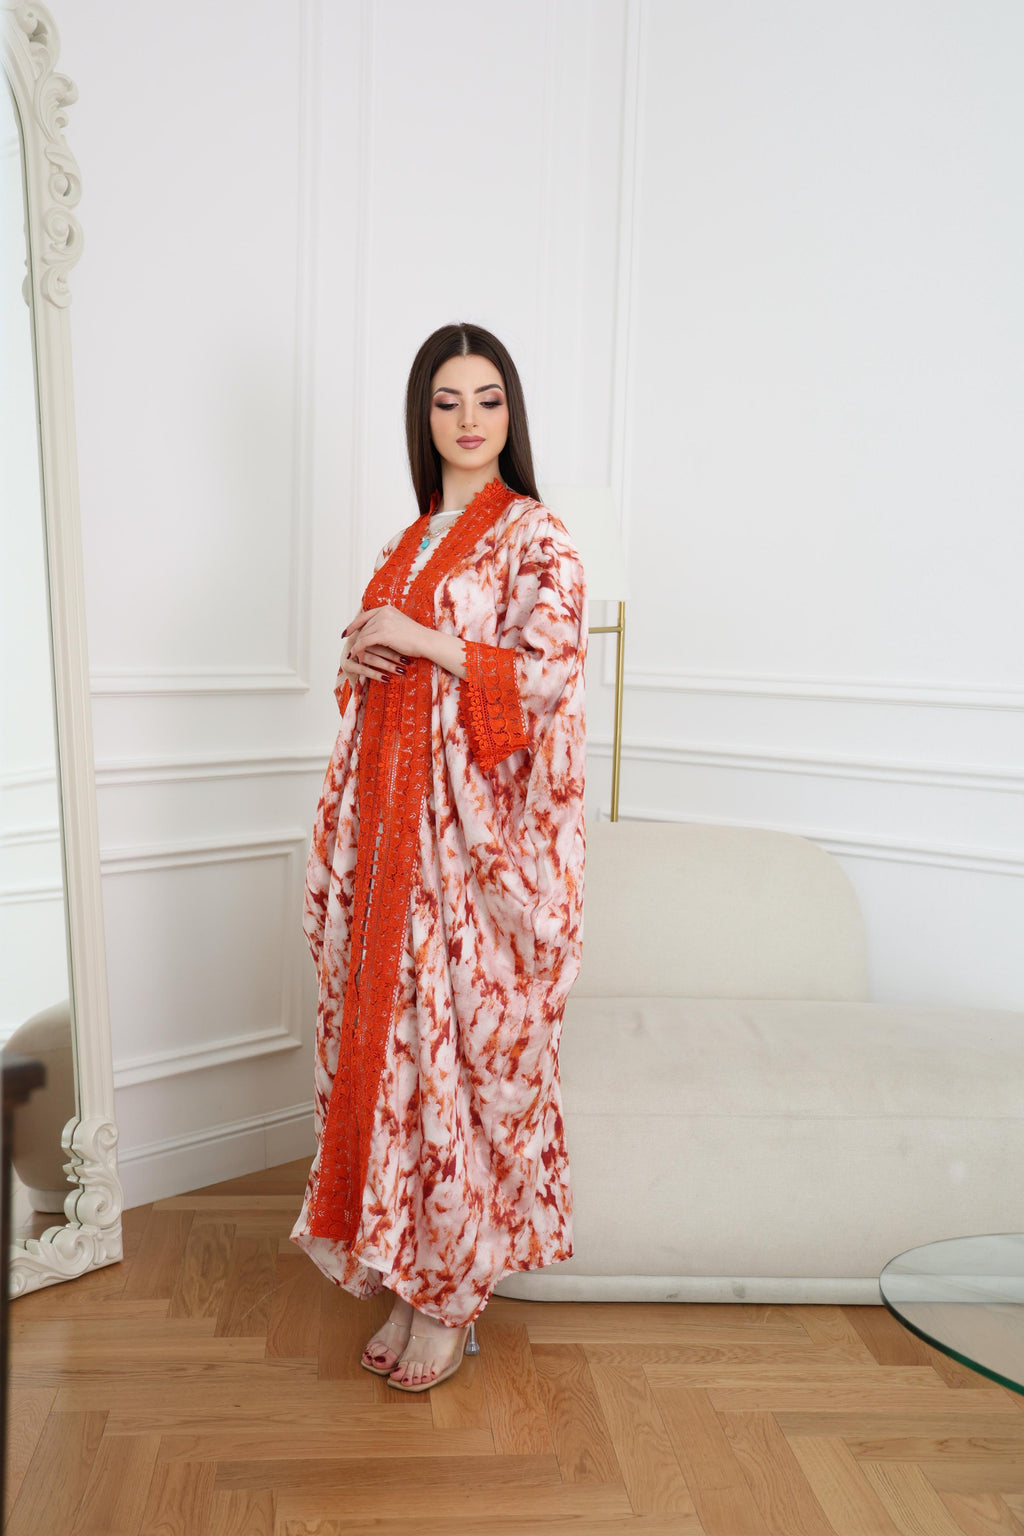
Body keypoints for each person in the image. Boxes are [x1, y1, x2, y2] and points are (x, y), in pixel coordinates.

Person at [289, 321, 587, 1391]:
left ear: (512, 413)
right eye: (447, 402)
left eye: (488, 399)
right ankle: (412, 1275)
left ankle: (452, 1298)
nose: (469, 421)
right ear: (423, 418)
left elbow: (544, 677)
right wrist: (366, 652)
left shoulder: (535, 536)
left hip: (469, 860)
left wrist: (413, 641)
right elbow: (377, 681)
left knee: (456, 1063)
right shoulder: (408, 541)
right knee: (404, 1067)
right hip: (387, 841)